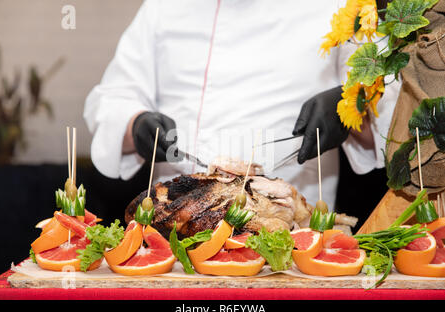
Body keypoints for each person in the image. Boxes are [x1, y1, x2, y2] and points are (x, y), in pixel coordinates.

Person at [84, 0, 399, 210]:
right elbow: (111, 99)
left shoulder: (343, 5)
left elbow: (393, 117)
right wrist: (135, 124)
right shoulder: (163, 7)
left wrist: (348, 108)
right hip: (179, 231)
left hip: (293, 240)